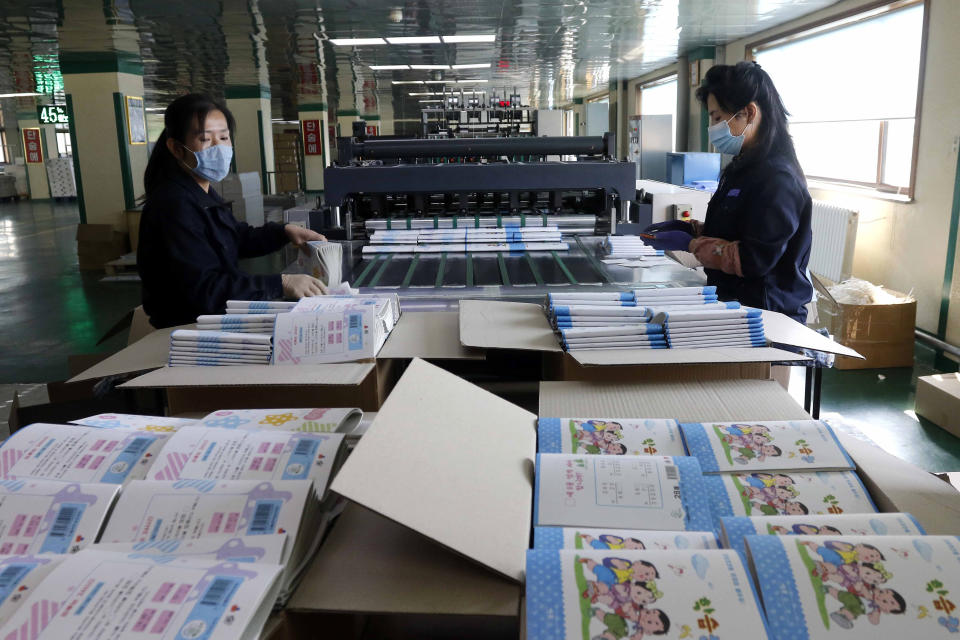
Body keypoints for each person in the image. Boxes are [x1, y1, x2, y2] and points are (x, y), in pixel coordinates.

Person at [138, 93, 328, 328]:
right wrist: (281, 283)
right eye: (206, 140)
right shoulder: (173, 205)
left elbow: (233, 237)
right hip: (186, 329)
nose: (219, 148)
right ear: (177, 149)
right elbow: (205, 290)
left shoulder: (200, 192)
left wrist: (283, 232)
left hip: (211, 319)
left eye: (224, 137)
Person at [642, 62, 813, 322]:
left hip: (766, 316)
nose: (712, 128)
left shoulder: (778, 179)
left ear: (749, 112)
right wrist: (692, 229)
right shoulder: (743, 167)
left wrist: (690, 244)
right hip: (735, 304)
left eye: (718, 118)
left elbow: (753, 259)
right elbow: (734, 229)